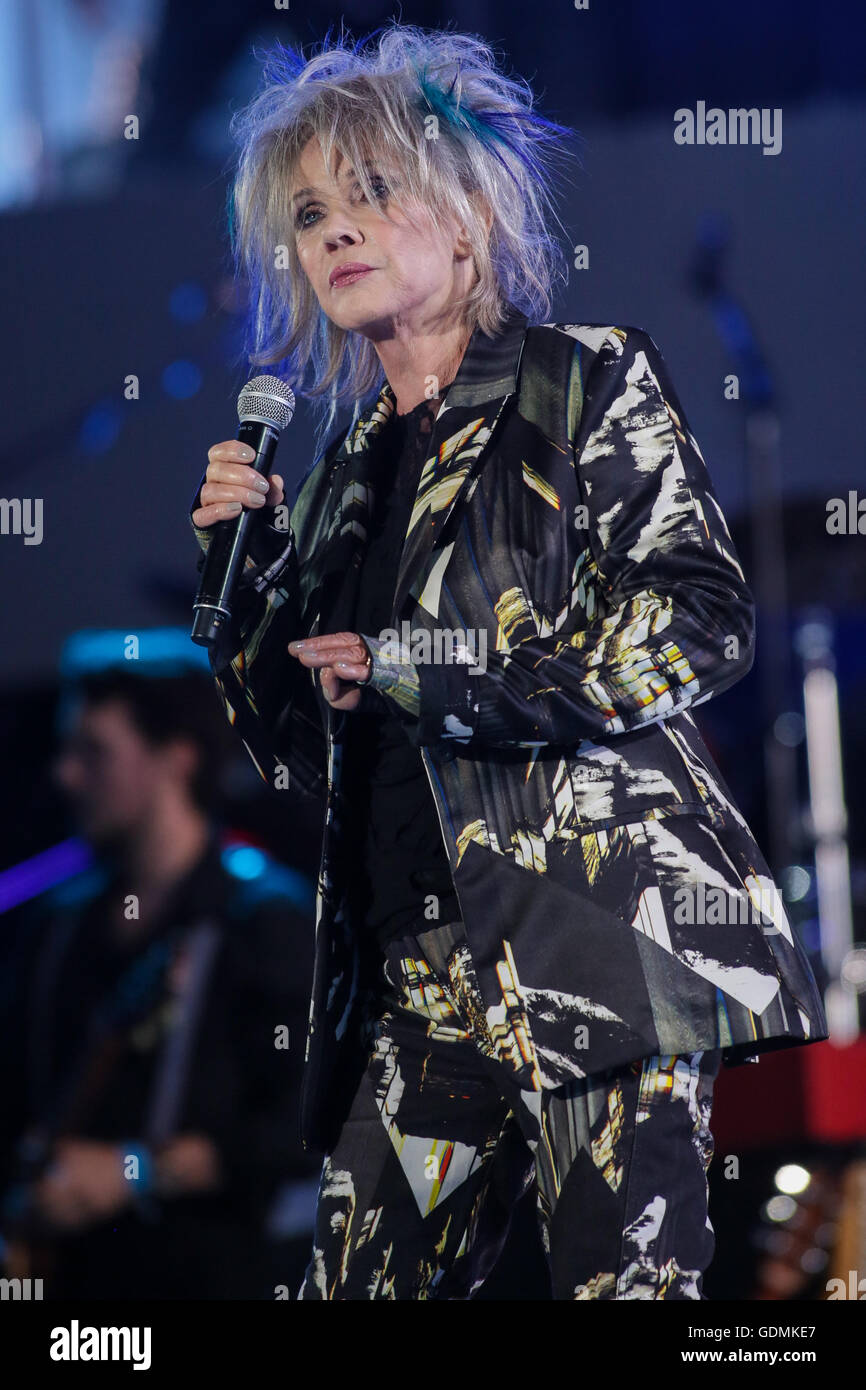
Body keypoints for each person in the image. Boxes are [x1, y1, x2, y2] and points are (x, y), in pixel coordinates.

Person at [189, 24, 829, 1300]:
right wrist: (242, 583)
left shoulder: (580, 383)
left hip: (598, 942)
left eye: (371, 192)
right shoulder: (328, 490)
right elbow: (305, 754)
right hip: (418, 991)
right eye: (310, 211)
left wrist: (433, 669)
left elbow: (701, 619)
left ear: (469, 217)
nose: (335, 232)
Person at [0, 651, 318, 1299]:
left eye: (95, 752)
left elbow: (307, 1123)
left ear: (177, 757)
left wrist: (134, 1171)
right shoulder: (57, 923)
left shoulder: (265, 919)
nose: (66, 774)